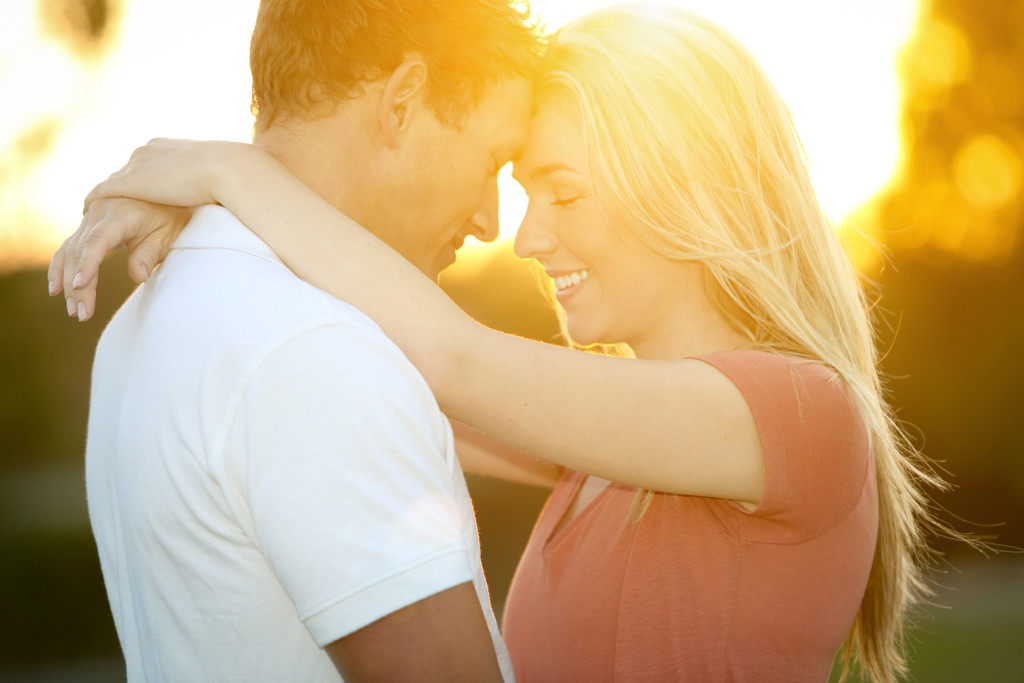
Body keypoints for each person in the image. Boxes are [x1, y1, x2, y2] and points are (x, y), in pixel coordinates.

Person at [52, 4, 953, 682]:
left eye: (562, 191)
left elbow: (452, 359)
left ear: (677, 187)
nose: (523, 237)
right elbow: (384, 358)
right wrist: (202, 205)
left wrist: (227, 170)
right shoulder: (605, 453)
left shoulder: (795, 414)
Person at [53, 0, 545, 680]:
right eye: (491, 160)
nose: (492, 220)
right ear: (401, 102)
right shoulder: (315, 352)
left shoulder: (151, 313)